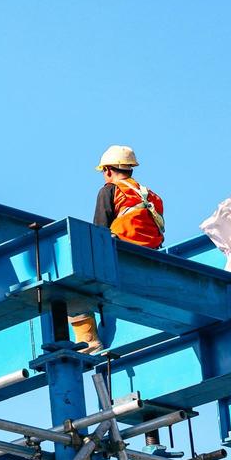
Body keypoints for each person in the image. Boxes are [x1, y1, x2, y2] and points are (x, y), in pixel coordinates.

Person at [72, 145, 165, 351]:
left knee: (70, 289)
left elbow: (98, 231)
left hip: (119, 255)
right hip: (150, 258)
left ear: (108, 170)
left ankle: (89, 341)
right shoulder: (153, 197)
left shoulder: (109, 190)